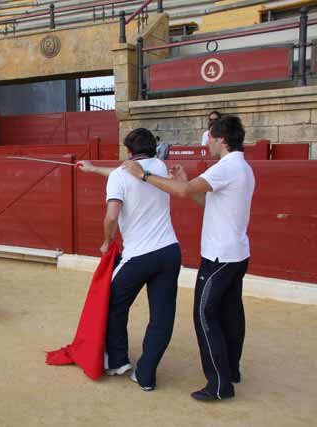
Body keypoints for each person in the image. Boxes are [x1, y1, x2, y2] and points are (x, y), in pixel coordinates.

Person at [122, 115, 255, 402]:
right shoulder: (242, 167)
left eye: (210, 137)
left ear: (221, 139)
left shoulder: (227, 166)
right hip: (237, 253)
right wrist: (183, 182)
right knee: (231, 313)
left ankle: (219, 384)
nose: (207, 143)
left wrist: (143, 175)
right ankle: (231, 370)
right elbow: (202, 200)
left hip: (219, 256)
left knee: (205, 316)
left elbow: (182, 192)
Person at [78, 128, 181, 392]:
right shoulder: (159, 165)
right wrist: (92, 169)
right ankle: (146, 375)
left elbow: (112, 215)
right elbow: (121, 174)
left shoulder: (120, 176)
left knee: (112, 305)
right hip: (169, 252)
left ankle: (119, 361)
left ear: (128, 151)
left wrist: (106, 241)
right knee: (162, 315)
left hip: (138, 257)